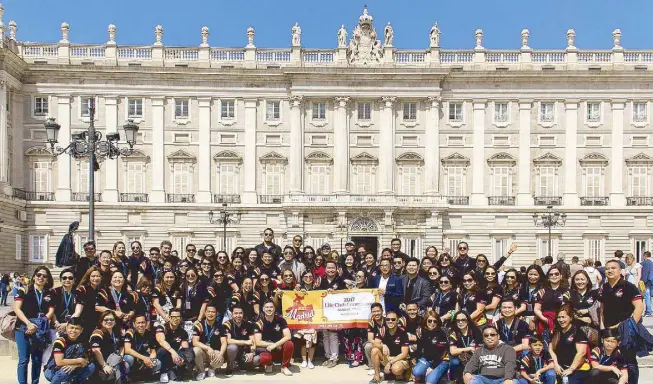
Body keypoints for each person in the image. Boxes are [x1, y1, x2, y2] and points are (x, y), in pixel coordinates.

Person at [598, 259, 645, 383]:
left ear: (620, 271)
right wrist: (603, 327)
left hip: (625, 331)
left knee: (630, 362)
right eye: (607, 268)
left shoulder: (629, 287)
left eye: (613, 268)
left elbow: (639, 307)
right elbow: (602, 308)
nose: (610, 270)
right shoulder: (604, 287)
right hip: (609, 330)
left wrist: (629, 326)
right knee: (613, 360)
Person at [14, 266, 55, 384]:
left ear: (48, 279)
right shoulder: (24, 290)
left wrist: (40, 324)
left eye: (44, 276)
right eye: (38, 275)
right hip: (23, 328)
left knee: (37, 359)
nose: (41, 277)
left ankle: (35, 382)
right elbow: (16, 308)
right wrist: (29, 324)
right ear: (34, 277)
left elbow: (51, 312)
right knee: (24, 359)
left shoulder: (50, 294)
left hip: (40, 331)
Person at [43, 317, 95, 384]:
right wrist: (78, 361)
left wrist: (75, 365)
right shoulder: (61, 341)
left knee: (91, 367)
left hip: (73, 368)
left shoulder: (84, 341)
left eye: (77, 328)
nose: (73, 331)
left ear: (81, 330)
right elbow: (59, 362)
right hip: (53, 370)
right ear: (67, 328)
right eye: (71, 328)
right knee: (65, 371)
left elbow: (87, 358)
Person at [548, 305, 591, 384]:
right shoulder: (556, 332)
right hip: (560, 368)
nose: (561, 320)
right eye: (559, 317)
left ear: (570, 318)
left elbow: (581, 353)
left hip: (577, 369)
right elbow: (550, 349)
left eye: (563, 317)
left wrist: (571, 369)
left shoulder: (578, 332)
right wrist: (556, 364)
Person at [254, 300, 294, 375]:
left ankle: (284, 367)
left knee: (289, 344)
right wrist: (273, 345)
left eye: (271, 307)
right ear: (263, 309)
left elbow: (288, 336)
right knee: (264, 359)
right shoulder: (259, 323)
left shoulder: (281, 320)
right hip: (267, 349)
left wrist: (275, 345)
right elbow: (258, 342)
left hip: (279, 347)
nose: (269, 309)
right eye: (267, 307)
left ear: (274, 309)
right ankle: (269, 364)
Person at [369, 310, 410, 384]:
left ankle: (401, 374)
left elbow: (404, 354)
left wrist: (390, 363)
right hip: (388, 357)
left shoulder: (403, 333)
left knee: (396, 369)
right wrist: (383, 345)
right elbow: (375, 343)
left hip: (399, 358)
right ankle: (377, 377)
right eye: (388, 319)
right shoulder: (383, 330)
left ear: (397, 321)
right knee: (374, 350)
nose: (390, 321)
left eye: (393, 319)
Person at [155, 307, 194, 383]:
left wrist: (182, 359)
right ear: (169, 317)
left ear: (180, 318)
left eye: (178, 317)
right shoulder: (162, 327)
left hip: (174, 357)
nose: (175, 319)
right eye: (173, 317)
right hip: (162, 356)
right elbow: (161, 341)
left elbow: (185, 347)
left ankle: (176, 369)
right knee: (163, 350)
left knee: (188, 351)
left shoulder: (183, 332)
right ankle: (163, 372)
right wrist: (173, 352)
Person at [411, 309, 450, 384]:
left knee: (429, 382)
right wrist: (416, 361)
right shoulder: (421, 331)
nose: (432, 323)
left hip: (441, 360)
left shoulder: (442, 333)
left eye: (435, 321)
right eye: (430, 321)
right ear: (426, 321)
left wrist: (432, 367)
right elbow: (419, 348)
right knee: (416, 372)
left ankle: (440, 377)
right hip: (427, 358)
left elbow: (442, 354)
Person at [90, 310, 128, 383]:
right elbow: (95, 350)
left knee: (125, 364)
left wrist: (120, 357)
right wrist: (104, 365)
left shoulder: (116, 332)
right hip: (99, 361)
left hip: (113, 359)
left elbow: (121, 346)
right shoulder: (98, 332)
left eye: (112, 319)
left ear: (115, 321)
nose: (109, 321)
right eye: (106, 319)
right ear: (101, 322)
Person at [192, 304, 228, 380]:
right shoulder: (199, 325)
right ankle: (201, 371)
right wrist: (208, 348)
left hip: (214, 352)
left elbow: (224, 342)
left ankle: (212, 368)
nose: (210, 314)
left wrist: (221, 354)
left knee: (220, 355)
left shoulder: (220, 326)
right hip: (203, 352)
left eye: (213, 312)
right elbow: (195, 342)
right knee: (196, 350)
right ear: (205, 313)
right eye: (208, 312)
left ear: (217, 314)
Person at [123, 314, 162, 381]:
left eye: (143, 322)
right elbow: (127, 350)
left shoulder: (150, 334)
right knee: (129, 358)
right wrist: (144, 358)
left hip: (144, 361)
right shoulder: (130, 332)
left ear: (146, 323)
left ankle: (144, 375)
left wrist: (150, 360)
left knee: (157, 363)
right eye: (138, 323)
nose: (141, 325)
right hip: (134, 359)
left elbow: (153, 352)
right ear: (134, 324)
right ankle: (128, 376)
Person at [224, 305, 260, 371]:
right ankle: (229, 365)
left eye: (240, 313)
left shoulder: (248, 324)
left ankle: (242, 362)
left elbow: (252, 341)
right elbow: (228, 341)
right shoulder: (227, 324)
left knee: (256, 360)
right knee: (232, 347)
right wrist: (245, 342)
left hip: (244, 351)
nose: (238, 315)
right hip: (231, 352)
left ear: (243, 314)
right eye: (236, 313)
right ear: (232, 314)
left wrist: (252, 352)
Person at [641, 251, 653, 317]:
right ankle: (649, 310)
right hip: (651, 281)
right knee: (649, 296)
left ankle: (648, 311)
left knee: (647, 296)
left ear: (645, 256)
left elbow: (644, 273)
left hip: (646, 281)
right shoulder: (651, 262)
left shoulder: (644, 263)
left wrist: (643, 281)